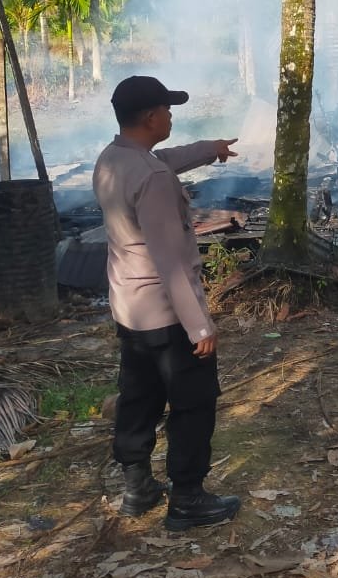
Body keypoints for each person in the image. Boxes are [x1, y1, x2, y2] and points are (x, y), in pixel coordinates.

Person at [92, 74, 243, 529]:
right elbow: (171, 259)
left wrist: (210, 147)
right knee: (193, 404)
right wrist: (199, 325)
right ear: (152, 117)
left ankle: (137, 489)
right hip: (168, 312)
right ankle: (188, 500)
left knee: (139, 397)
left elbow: (163, 161)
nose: (172, 116)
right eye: (169, 109)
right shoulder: (154, 178)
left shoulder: (113, 159)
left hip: (131, 310)